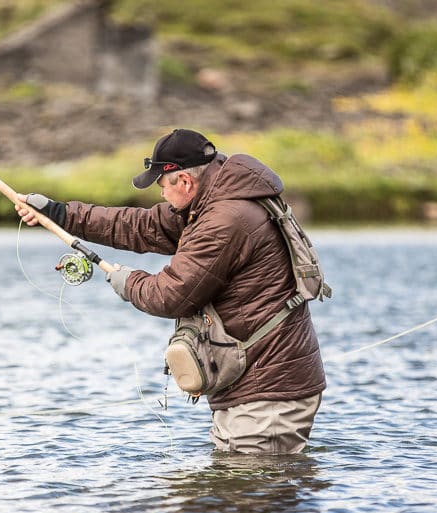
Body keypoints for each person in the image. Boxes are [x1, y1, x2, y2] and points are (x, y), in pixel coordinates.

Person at [17, 128, 325, 454]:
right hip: (254, 384)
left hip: (269, 390)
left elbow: (172, 295)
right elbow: (140, 226)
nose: (161, 195)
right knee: (234, 488)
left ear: (185, 182)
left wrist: (127, 282)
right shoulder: (211, 200)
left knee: (251, 494)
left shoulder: (225, 219)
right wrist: (62, 214)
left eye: (162, 187)